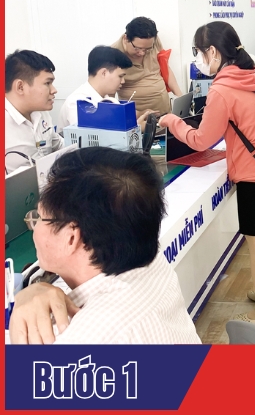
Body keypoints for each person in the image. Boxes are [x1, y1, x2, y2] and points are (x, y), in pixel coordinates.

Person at [158, 21, 255, 326]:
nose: (198, 59)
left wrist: (172, 121)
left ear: (214, 52)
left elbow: (201, 140)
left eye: (198, 52)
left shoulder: (222, 89)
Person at [8, 147, 201, 344]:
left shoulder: (81, 340)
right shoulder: (153, 263)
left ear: (71, 238)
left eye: (40, 217)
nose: (35, 227)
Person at [5, 50, 64, 175]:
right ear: (20, 87)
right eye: (47, 83)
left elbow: (58, 145)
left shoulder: (41, 113)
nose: (54, 90)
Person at [112, 17, 183, 119]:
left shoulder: (152, 41)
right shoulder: (113, 55)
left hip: (166, 113)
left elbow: (165, 68)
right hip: (139, 119)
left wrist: (180, 98)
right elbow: (111, 101)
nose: (142, 53)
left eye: (147, 49)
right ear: (126, 38)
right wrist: (140, 114)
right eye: (138, 48)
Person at [57, 46, 132, 129]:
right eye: (120, 76)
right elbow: (87, 135)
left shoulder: (106, 99)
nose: (123, 81)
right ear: (104, 73)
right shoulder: (77, 103)